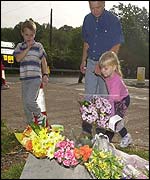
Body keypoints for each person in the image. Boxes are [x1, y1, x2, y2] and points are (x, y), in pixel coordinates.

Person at [79, 1, 124, 139]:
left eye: (98, 7)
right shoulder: (87, 19)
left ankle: (100, 131)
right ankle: (86, 131)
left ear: (104, 4)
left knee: (104, 99)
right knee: (89, 96)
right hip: (91, 62)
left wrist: (104, 64)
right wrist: (83, 60)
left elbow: (116, 45)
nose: (95, 10)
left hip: (106, 65)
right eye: (92, 8)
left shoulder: (113, 20)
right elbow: (86, 43)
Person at [13, 19, 49, 126]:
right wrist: (28, 48)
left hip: (35, 78)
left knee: (29, 100)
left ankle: (40, 116)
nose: (29, 37)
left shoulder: (38, 46)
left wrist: (45, 74)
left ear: (35, 34)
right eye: (27, 35)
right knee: (25, 105)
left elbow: (44, 61)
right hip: (25, 79)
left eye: (32, 35)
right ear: (22, 34)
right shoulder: (20, 46)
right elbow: (18, 59)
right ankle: (31, 124)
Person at [97, 51, 132, 148]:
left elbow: (113, 99)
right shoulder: (109, 76)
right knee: (112, 121)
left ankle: (126, 137)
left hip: (123, 100)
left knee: (114, 120)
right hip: (117, 99)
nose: (103, 71)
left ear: (114, 67)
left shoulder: (116, 81)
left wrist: (110, 114)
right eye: (101, 68)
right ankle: (107, 139)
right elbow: (112, 98)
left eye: (106, 68)